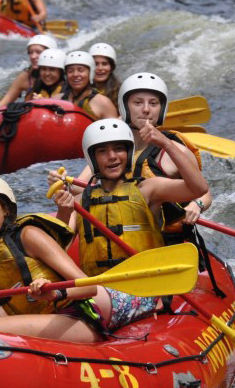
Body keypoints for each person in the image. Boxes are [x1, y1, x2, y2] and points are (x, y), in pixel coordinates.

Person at [0, 175, 168, 343]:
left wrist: (53, 295)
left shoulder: (28, 234)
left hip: (78, 317)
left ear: (5, 209)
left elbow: (87, 285)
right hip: (48, 319)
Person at [52, 118, 208, 277]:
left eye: (118, 148)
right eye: (102, 151)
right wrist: (63, 211)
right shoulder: (79, 203)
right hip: (99, 287)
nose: (112, 156)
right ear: (92, 158)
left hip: (146, 286)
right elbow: (58, 249)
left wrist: (166, 144)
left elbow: (199, 188)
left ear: (128, 153)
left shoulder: (148, 189)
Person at [121, 73, 213, 243]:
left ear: (161, 109)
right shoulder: (111, 149)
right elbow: (82, 187)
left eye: (153, 103)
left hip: (168, 240)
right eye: (138, 102)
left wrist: (197, 205)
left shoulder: (177, 151)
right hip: (123, 236)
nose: (146, 109)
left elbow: (204, 191)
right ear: (125, 107)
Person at [0, 34, 58, 109]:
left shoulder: (64, 77)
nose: (33, 56)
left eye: (38, 52)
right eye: (30, 52)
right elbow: (0, 106)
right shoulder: (25, 77)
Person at [60, 51, 119, 119]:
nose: (75, 74)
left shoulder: (104, 103)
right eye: (70, 71)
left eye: (81, 70)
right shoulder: (57, 99)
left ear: (90, 73)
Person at [89, 42, 121, 112]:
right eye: (95, 64)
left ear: (111, 67)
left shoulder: (120, 92)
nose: (100, 68)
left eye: (105, 64)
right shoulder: (81, 90)